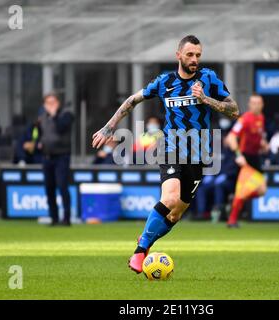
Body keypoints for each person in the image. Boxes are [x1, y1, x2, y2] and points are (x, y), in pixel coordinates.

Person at [92, 35, 240, 274]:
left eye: (198, 55)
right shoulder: (164, 82)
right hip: (171, 147)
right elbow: (132, 100)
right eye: (190, 54)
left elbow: (234, 110)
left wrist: (206, 99)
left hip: (199, 153)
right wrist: (108, 127)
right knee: (169, 198)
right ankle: (140, 251)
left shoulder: (209, 78)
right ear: (178, 55)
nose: (194, 60)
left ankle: (147, 239)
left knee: (175, 214)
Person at [226, 94, 268, 227]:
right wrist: (238, 155)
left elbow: (258, 137)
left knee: (262, 190)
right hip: (244, 157)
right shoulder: (244, 119)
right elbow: (231, 137)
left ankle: (235, 201)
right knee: (242, 191)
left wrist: (263, 144)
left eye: (258, 103)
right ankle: (232, 220)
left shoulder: (261, 118)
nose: (256, 105)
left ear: (262, 105)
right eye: (253, 103)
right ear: (249, 105)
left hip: (255, 158)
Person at [39, 92, 74, 226]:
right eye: (48, 103)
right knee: (49, 188)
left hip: (62, 156)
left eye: (53, 102)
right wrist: (38, 143)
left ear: (58, 103)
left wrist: (54, 115)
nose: (51, 105)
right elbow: (38, 132)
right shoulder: (42, 117)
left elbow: (61, 128)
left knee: (62, 187)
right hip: (47, 157)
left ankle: (66, 218)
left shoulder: (66, 115)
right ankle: (53, 218)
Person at [194, 118, 238, 220]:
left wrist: (225, 175)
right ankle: (202, 213)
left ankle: (218, 212)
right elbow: (210, 164)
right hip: (214, 178)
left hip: (228, 180)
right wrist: (210, 175)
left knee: (219, 186)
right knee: (201, 188)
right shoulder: (215, 150)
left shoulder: (233, 153)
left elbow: (232, 168)